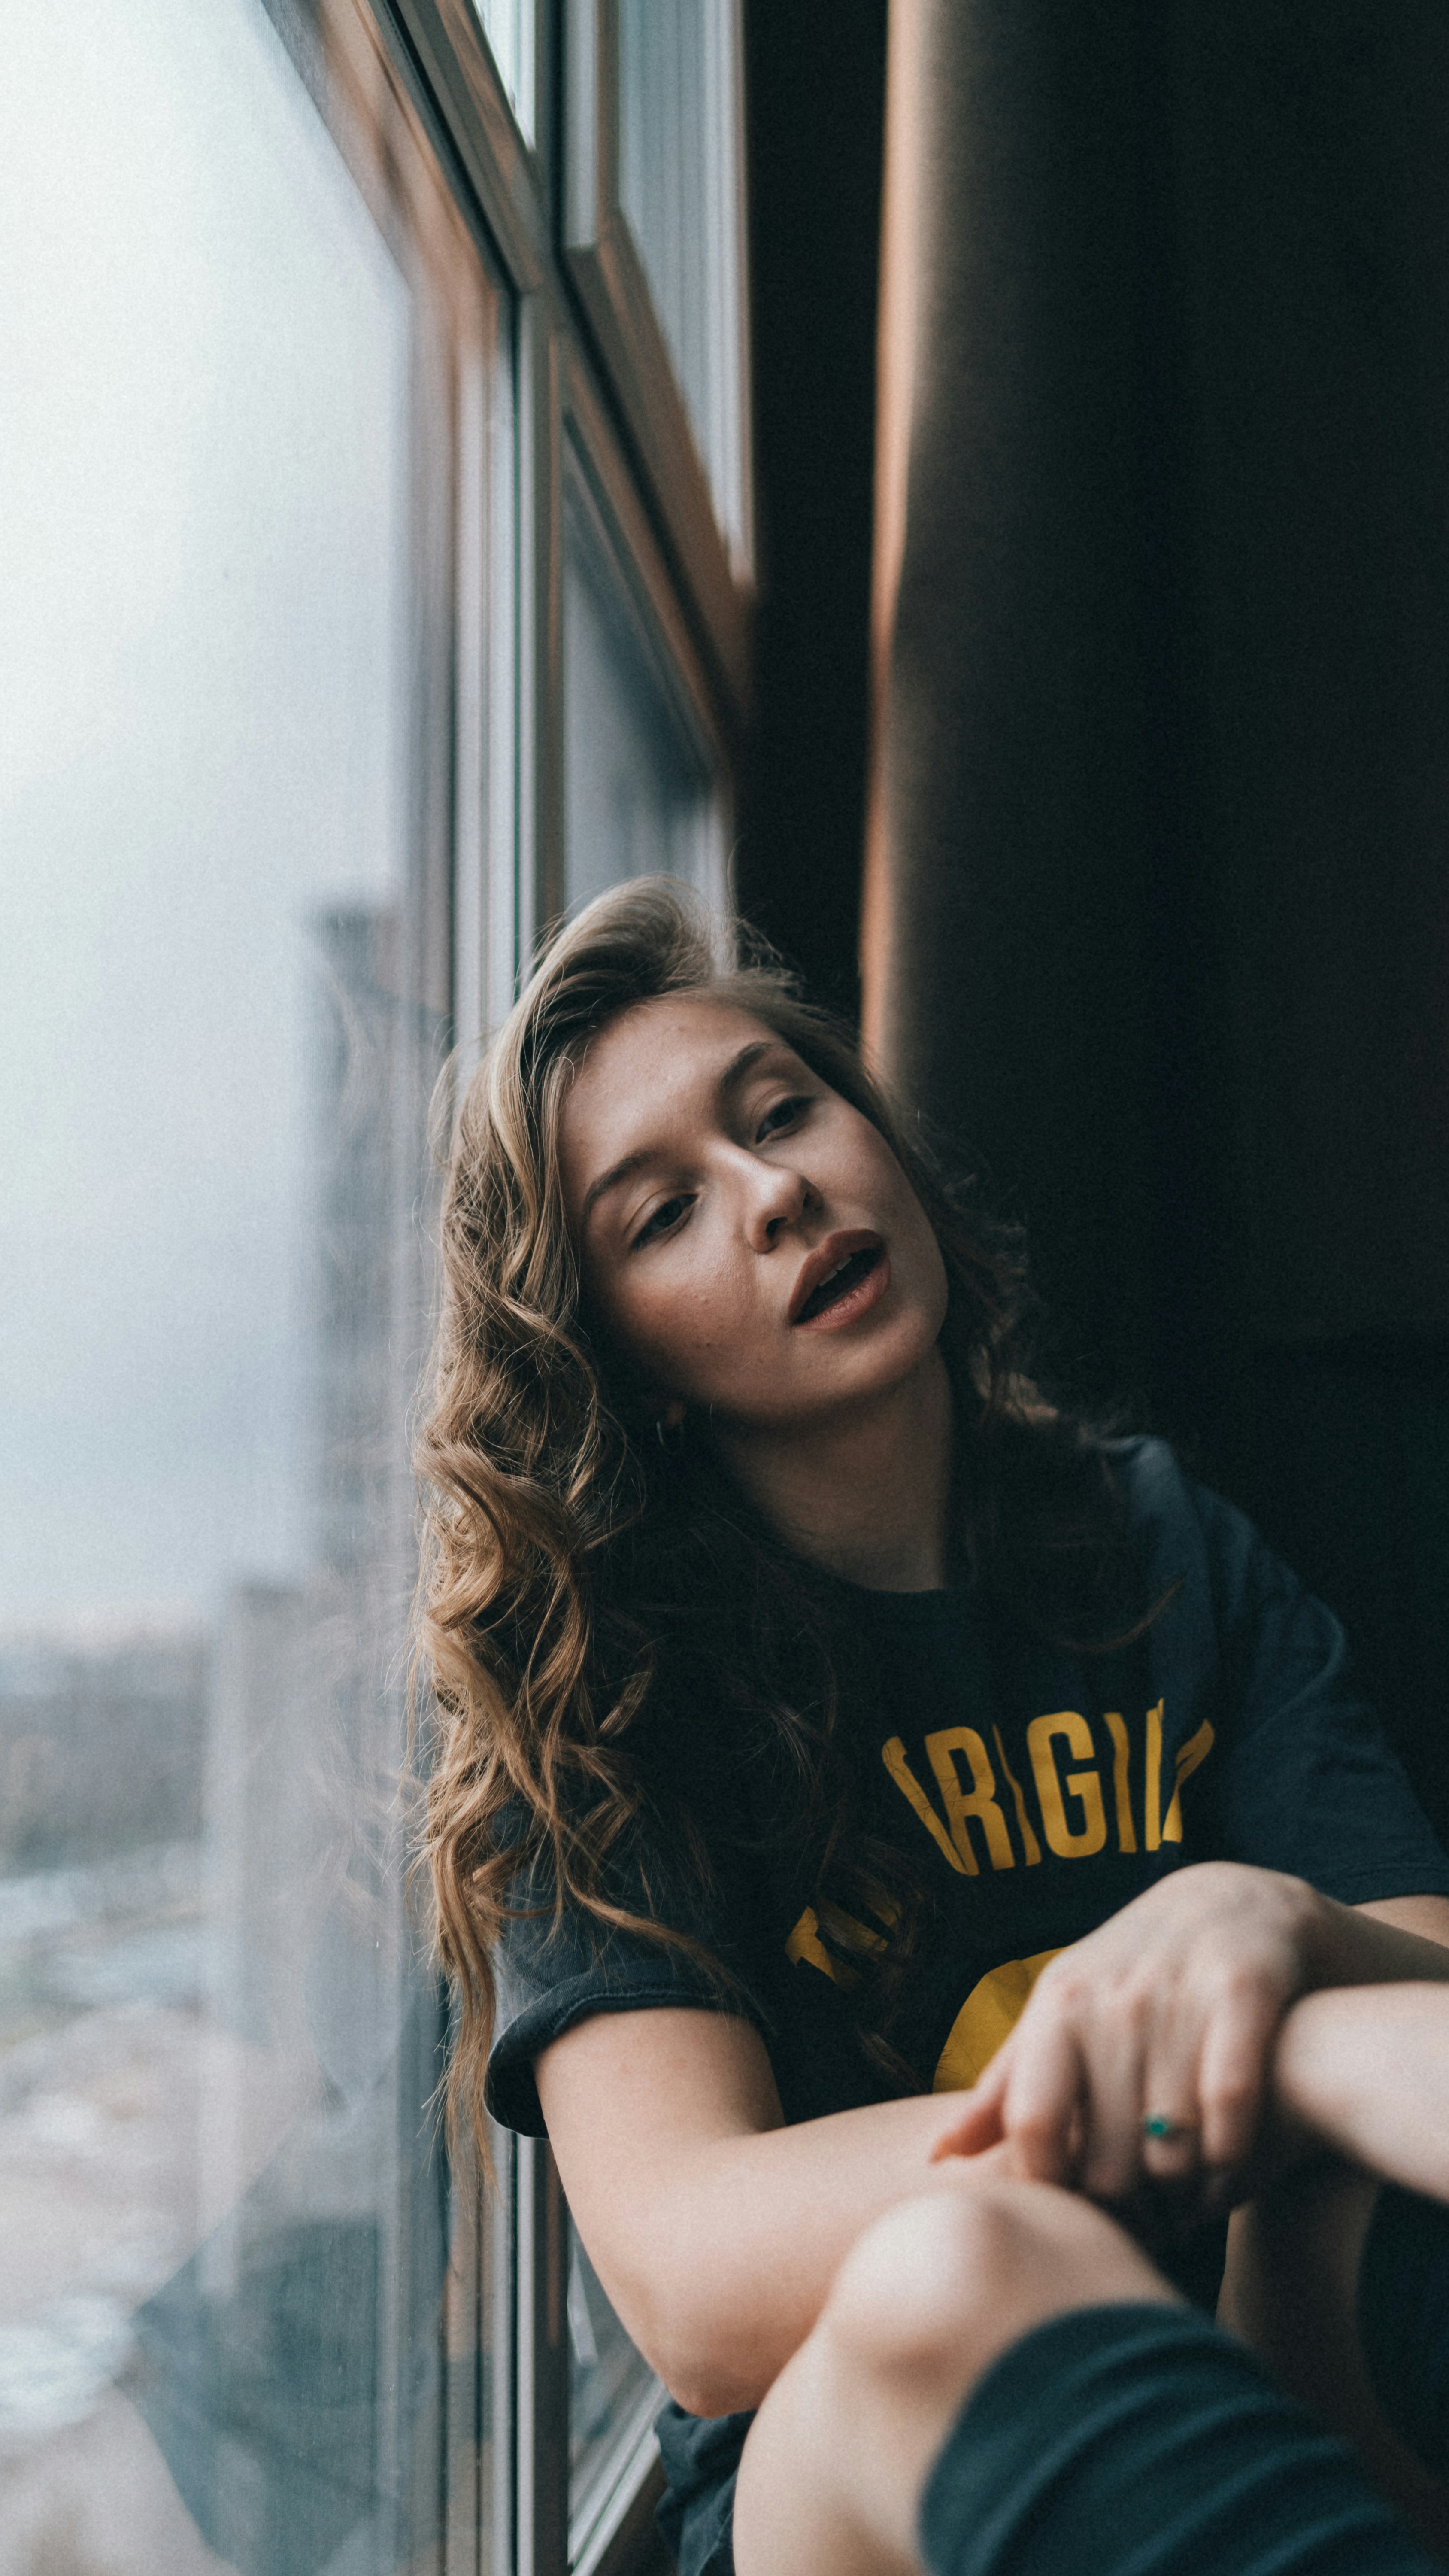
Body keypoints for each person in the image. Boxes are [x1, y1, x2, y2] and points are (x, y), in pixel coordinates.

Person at [414, 880, 1449, 2576]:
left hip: (1230, 2373)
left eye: (782, 1112)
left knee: (1377, 2176)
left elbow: (1418, 1983)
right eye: (665, 1211)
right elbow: (691, 2276)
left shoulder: (1156, 1542)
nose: (773, 1193)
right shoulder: (599, 1693)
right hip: (857, 2482)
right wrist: (1281, 2048)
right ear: (627, 1364)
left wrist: (1247, 1918)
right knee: (952, 2275)